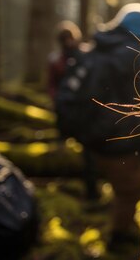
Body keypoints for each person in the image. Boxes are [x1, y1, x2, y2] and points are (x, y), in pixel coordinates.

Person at [81, 3, 140, 251]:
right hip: (117, 140)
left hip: (93, 135)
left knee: (122, 186)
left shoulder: (98, 49)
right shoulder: (135, 57)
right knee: (132, 190)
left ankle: (120, 225)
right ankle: (117, 238)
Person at [48, 21, 101, 201]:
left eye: (70, 38)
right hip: (65, 112)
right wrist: (58, 102)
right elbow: (52, 86)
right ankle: (63, 187)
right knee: (63, 149)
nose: (68, 42)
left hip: (85, 111)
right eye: (64, 39)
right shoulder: (56, 60)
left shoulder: (87, 55)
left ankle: (92, 193)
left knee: (89, 154)